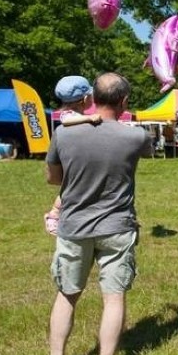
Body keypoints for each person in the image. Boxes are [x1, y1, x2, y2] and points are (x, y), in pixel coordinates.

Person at [43, 73, 152, 355]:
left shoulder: (64, 135)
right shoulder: (135, 137)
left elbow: (53, 179)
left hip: (74, 225)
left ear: (92, 97)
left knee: (67, 294)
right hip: (117, 227)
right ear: (124, 101)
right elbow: (147, 150)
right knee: (114, 297)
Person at [44, 76, 103, 235]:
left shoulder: (78, 115)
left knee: (72, 191)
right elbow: (66, 121)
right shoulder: (69, 114)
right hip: (72, 162)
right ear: (84, 99)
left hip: (77, 159)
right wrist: (89, 118)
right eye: (91, 96)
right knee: (67, 193)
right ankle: (53, 215)